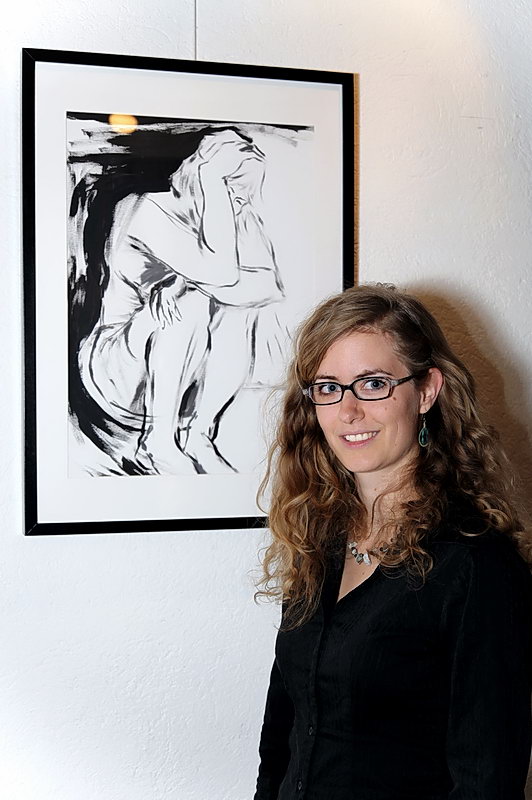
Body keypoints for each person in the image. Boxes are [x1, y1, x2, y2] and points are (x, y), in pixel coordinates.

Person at [254, 283, 532, 800]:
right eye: (329, 387)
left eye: (373, 384)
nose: (348, 411)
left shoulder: (476, 565)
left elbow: (487, 778)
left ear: (427, 391)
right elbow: (283, 734)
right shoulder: (318, 537)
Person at [74, 128, 286, 475]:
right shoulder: (145, 208)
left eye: (244, 193)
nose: (240, 202)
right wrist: (211, 179)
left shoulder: (233, 215)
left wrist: (181, 282)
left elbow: (265, 287)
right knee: (192, 303)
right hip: (115, 372)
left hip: (181, 380)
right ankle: (157, 444)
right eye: (231, 188)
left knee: (239, 311)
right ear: (202, 177)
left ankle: (198, 434)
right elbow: (221, 274)